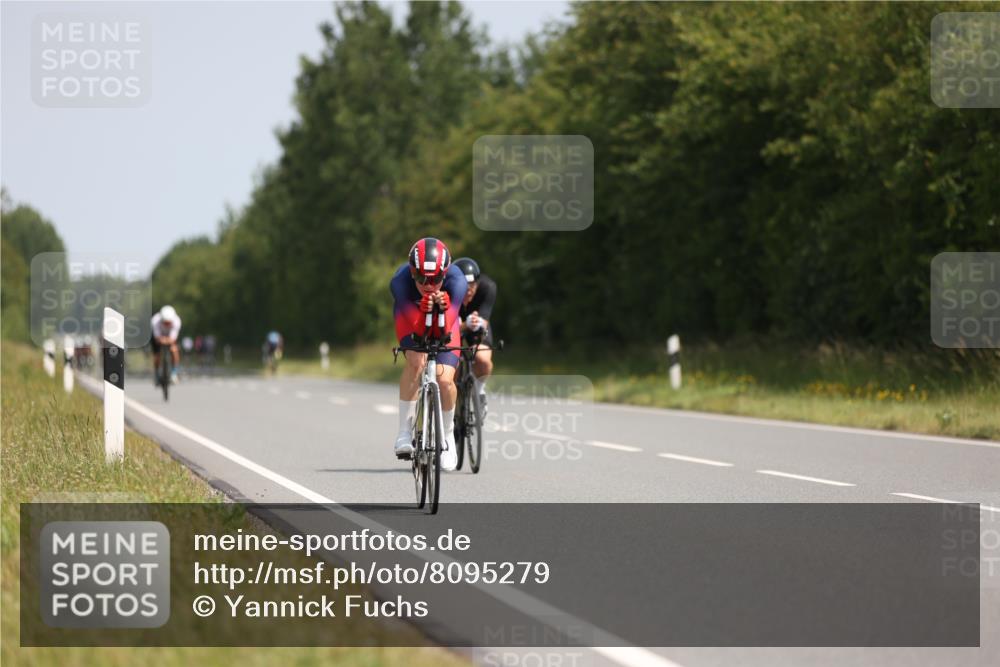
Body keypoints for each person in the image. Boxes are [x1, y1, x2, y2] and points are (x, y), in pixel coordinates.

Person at [390, 237, 468, 471]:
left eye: (434, 279)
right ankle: (404, 433)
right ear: (412, 273)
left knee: (445, 380)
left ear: (445, 274)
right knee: (416, 361)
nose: (428, 284)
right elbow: (416, 330)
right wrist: (425, 311)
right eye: (420, 277)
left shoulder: (457, 282)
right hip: (411, 317)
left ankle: (447, 437)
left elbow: (444, 332)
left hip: (446, 320)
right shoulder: (400, 283)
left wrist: (441, 312)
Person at [454, 257, 496, 414]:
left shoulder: (488, 287)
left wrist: (476, 323)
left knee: (483, 360)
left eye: (472, 286)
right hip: (452, 327)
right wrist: (464, 325)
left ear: (478, 283)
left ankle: (479, 391)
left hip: (476, 326)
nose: (468, 291)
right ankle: (453, 407)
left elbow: (484, 322)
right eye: (464, 287)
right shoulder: (446, 290)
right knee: (452, 366)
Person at [150, 305, 182, 384]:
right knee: (157, 355)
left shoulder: (177, 321)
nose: (167, 325)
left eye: (169, 323)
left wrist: (167, 341)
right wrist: (162, 340)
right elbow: (157, 338)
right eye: (165, 323)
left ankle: (174, 373)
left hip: (169, 337)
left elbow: (173, 338)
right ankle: (157, 373)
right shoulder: (155, 320)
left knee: (174, 350)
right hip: (159, 337)